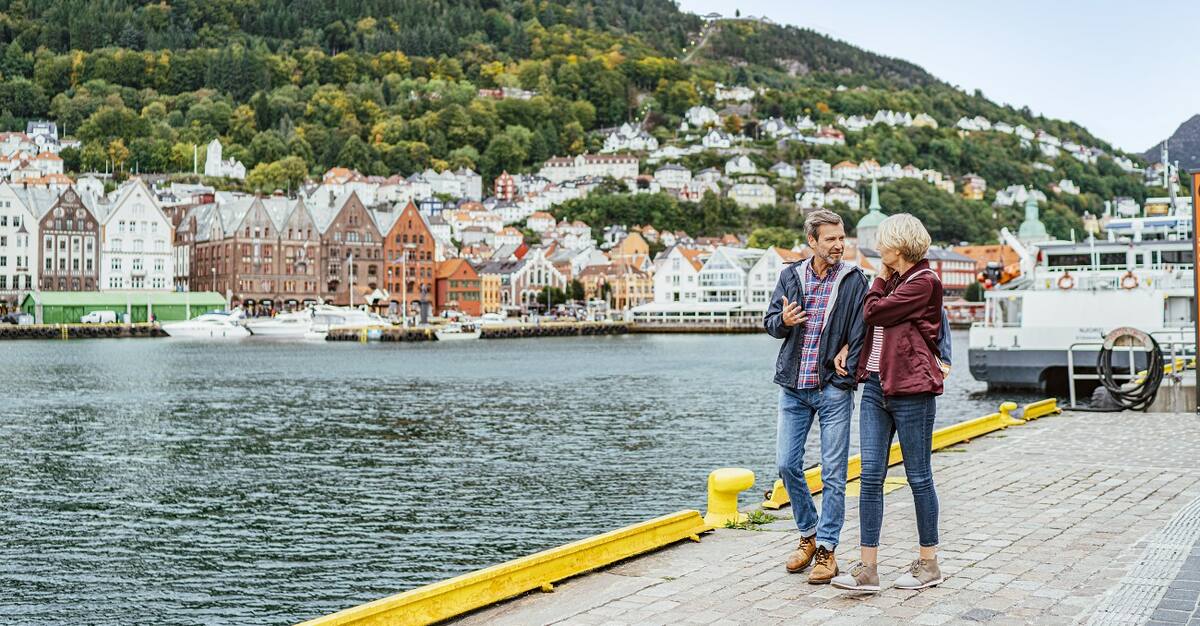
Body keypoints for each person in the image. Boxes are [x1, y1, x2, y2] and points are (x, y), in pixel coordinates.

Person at [832, 213, 947, 593]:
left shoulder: (924, 283)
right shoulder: (897, 281)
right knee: (869, 478)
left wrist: (879, 277)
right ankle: (868, 568)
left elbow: (874, 311)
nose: (878, 248)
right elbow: (871, 324)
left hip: (912, 389)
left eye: (883, 243)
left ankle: (929, 563)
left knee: (918, 477)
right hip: (877, 387)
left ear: (898, 246)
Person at [763, 210, 868, 584]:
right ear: (812, 241)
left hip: (832, 388)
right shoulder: (790, 275)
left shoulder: (855, 279)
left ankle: (827, 549)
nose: (839, 245)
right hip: (793, 386)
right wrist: (783, 322)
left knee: (834, 473)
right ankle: (808, 534)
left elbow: (865, 328)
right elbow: (771, 322)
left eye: (842, 238)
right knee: (786, 464)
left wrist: (849, 357)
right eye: (830, 239)